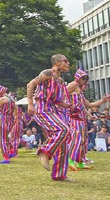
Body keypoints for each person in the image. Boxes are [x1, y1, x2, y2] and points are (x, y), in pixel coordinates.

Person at [26, 54, 73, 182]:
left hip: (54, 111)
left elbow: (57, 101)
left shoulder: (61, 81)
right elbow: (31, 84)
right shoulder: (48, 73)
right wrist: (30, 104)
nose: (68, 64)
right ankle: (44, 152)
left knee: (64, 141)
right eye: (65, 61)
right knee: (63, 129)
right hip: (42, 110)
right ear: (57, 63)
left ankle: (59, 174)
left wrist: (69, 106)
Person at [66, 68, 110, 170]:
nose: (84, 81)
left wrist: (103, 101)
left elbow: (90, 104)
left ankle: (80, 162)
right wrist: (68, 106)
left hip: (81, 118)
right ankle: (70, 159)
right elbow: (62, 94)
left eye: (86, 79)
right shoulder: (73, 84)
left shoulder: (80, 92)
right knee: (76, 138)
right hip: (74, 117)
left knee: (83, 140)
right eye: (83, 79)